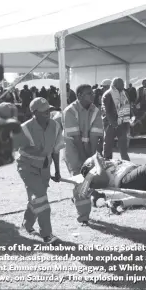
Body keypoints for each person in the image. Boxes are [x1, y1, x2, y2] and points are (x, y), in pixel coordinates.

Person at [0, 98, 64, 244]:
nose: (47, 112)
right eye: (43, 110)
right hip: (27, 168)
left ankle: (27, 225)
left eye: (48, 109)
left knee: (37, 199)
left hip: (45, 167)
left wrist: (57, 171)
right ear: (34, 113)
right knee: (41, 198)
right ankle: (47, 235)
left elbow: (56, 151)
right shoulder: (24, 130)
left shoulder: (55, 126)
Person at [79, 148, 146, 214]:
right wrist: (96, 160)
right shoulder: (96, 173)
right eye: (97, 159)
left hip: (140, 176)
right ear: (91, 166)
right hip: (128, 178)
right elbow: (102, 181)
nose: (102, 158)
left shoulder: (108, 163)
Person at [62, 84, 105, 225]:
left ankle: (80, 199)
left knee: (89, 177)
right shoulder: (70, 111)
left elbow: (94, 137)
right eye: (88, 94)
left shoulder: (95, 110)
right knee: (80, 179)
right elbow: (75, 138)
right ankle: (83, 217)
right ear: (79, 95)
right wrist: (84, 159)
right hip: (73, 149)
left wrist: (92, 158)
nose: (92, 96)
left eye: (92, 94)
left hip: (88, 148)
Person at [102, 77, 132, 161]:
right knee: (108, 144)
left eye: (123, 84)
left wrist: (129, 120)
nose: (122, 86)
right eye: (120, 85)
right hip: (110, 124)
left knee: (123, 144)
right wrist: (114, 123)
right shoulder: (107, 94)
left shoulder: (124, 94)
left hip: (122, 122)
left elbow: (128, 107)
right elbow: (107, 111)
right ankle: (107, 161)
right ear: (114, 85)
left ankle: (126, 161)